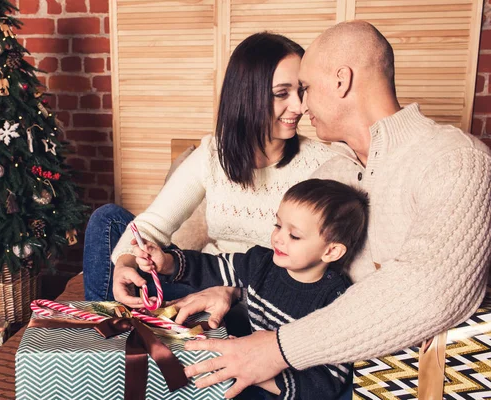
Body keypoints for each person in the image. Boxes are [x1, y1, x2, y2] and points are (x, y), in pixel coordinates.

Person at [182, 20, 491, 399]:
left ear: (342, 81)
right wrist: (233, 292)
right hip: (315, 360)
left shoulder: (456, 159)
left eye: (307, 88)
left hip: (394, 380)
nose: (302, 105)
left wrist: (278, 349)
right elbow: (293, 262)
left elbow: (431, 290)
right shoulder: (332, 171)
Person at [83, 32, 335, 327]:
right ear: (247, 95)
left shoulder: (321, 164)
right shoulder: (214, 154)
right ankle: (104, 338)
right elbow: (151, 225)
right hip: (202, 278)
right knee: (108, 219)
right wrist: (125, 264)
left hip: (259, 302)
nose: (300, 106)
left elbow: (322, 273)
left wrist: (236, 293)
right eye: (282, 94)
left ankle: (113, 342)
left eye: (301, 91)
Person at [132, 179, 368, 400]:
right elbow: (214, 266)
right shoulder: (261, 263)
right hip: (244, 376)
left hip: (282, 390)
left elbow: (327, 382)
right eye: (278, 225)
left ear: (331, 251)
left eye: (294, 235)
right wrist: (167, 262)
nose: (278, 238)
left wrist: (255, 372)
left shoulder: (336, 300)